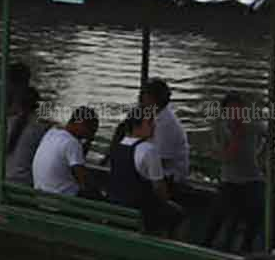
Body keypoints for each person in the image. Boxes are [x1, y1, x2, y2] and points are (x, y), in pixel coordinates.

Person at [108, 106, 185, 235]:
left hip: (115, 203)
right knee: (178, 212)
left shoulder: (117, 145)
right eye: (149, 122)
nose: (154, 126)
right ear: (137, 126)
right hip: (139, 210)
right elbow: (159, 187)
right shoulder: (149, 150)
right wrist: (166, 201)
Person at [204, 92, 264, 252]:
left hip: (253, 179)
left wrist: (258, 151)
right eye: (232, 111)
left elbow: (266, 136)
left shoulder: (253, 126)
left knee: (257, 213)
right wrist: (237, 136)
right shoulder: (220, 130)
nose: (236, 115)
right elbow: (226, 157)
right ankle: (206, 246)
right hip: (229, 181)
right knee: (218, 216)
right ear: (225, 113)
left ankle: (247, 248)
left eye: (239, 110)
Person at [32, 106, 99, 197]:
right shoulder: (72, 143)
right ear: (80, 123)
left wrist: (88, 141)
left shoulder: (51, 133)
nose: (91, 134)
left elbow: (79, 160)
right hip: (59, 202)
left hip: (40, 197)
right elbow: (83, 180)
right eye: (91, 130)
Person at [0, 87, 48, 186]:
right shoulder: (40, 129)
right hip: (25, 183)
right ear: (37, 107)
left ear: (17, 105)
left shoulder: (5, 123)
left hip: (4, 180)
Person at [141, 77, 190, 187]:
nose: (142, 99)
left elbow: (162, 160)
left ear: (154, 99)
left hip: (170, 178)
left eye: (145, 95)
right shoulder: (155, 117)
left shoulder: (167, 123)